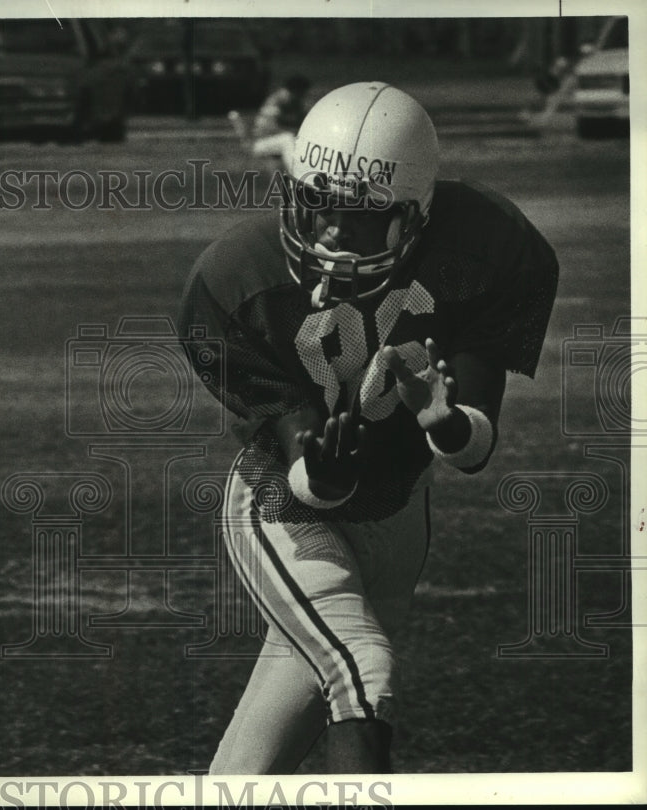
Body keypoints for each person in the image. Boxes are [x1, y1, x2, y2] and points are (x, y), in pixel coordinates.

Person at [179, 82, 558, 774]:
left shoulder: (485, 249)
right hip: (283, 504)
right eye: (318, 206)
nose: (330, 232)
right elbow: (297, 449)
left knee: (250, 769)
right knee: (363, 671)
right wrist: (319, 473)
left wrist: (443, 423)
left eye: (359, 218)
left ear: (417, 217)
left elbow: (473, 443)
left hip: (401, 514)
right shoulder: (237, 277)